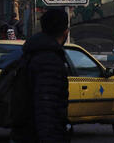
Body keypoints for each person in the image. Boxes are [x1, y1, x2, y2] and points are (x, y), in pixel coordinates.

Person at [11, 8, 70, 143]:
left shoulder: (32, 53)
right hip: (36, 135)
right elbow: (46, 107)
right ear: (65, 31)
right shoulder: (49, 60)